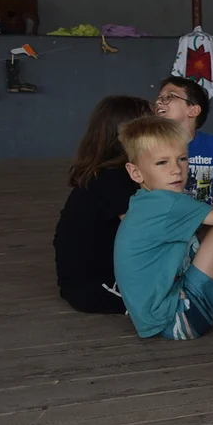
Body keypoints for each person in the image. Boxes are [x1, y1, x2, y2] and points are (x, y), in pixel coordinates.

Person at [113, 116, 213, 340]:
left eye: (182, 159)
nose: (176, 170)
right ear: (135, 172)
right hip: (176, 319)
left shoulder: (146, 200)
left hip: (161, 313)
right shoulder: (166, 203)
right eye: (162, 163)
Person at [53, 96, 154, 314]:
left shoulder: (109, 173)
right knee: (190, 292)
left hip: (102, 277)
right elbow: (146, 235)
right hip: (96, 286)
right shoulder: (113, 179)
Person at [154, 75, 213, 206]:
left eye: (169, 97)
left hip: (205, 220)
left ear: (193, 110)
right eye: (159, 98)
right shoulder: (149, 145)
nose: (159, 102)